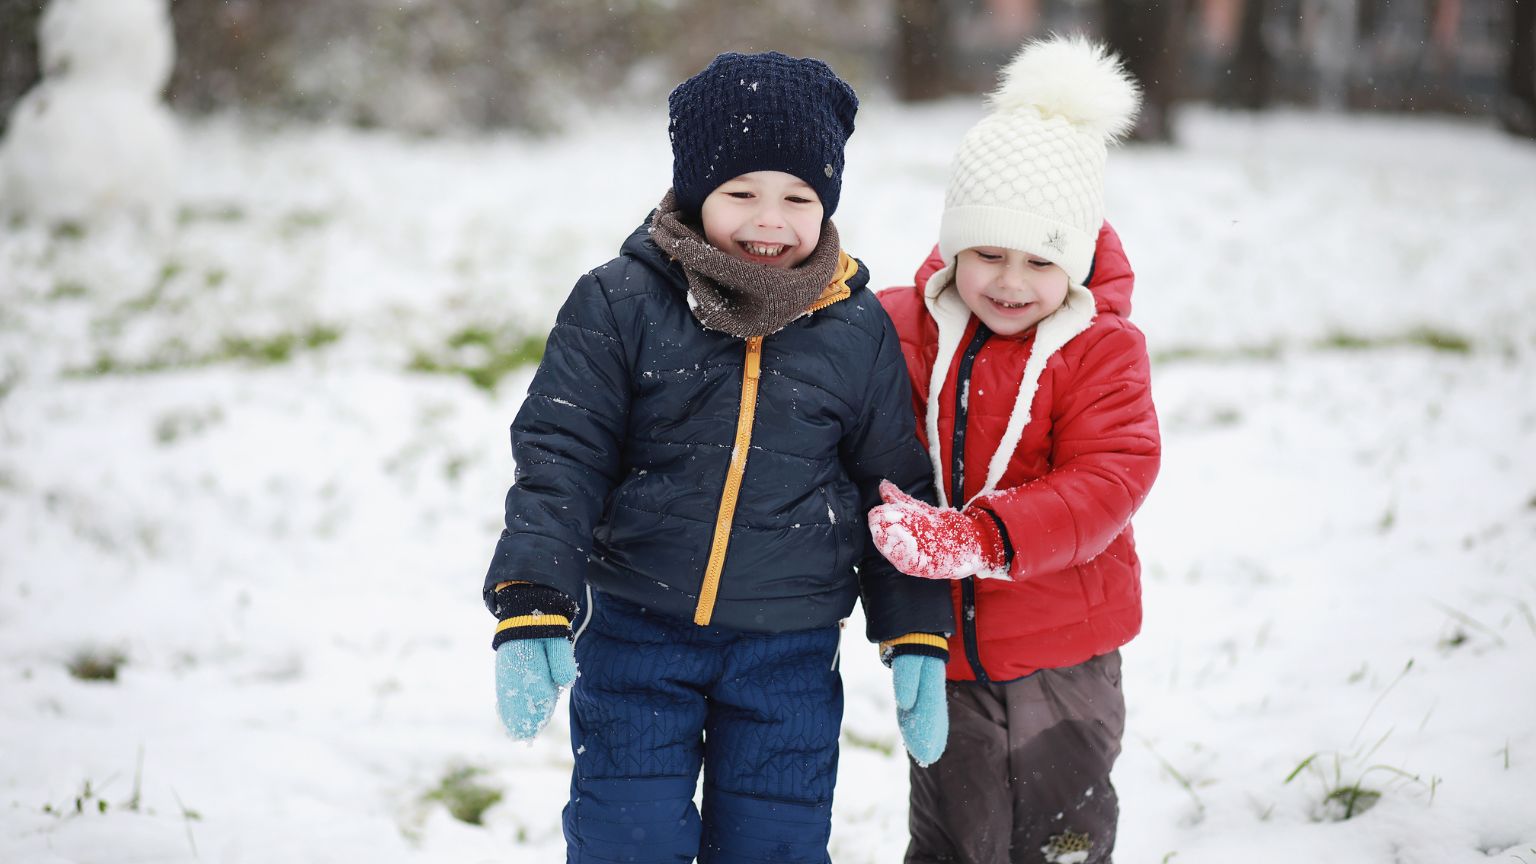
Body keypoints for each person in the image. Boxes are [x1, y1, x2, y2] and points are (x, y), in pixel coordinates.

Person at [482, 50, 954, 863]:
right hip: (639, 631)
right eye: (741, 193)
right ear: (696, 190)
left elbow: (892, 486)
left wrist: (915, 627)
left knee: (774, 842)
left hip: (790, 650)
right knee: (627, 835)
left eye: (798, 198)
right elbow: (563, 452)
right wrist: (532, 598)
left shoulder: (855, 326)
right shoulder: (620, 302)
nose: (770, 221)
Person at [868, 35, 1161, 864]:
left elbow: (1112, 476)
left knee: (1058, 835)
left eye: (1040, 260)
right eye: (988, 254)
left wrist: (982, 537)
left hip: (1064, 653)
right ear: (953, 248)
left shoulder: (1101, 349)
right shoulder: (903, 327)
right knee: (954, 837)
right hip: (945, 653)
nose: (1009, 281)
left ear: (1077, 259)